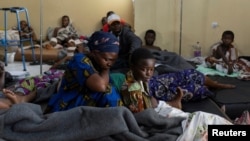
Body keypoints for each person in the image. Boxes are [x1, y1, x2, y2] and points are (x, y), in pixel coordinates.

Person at [119, 47, 233, 140]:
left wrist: (166, 106)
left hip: (161, 110)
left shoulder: (136, 79)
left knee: (204, 119)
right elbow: (147, 117)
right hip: (160, 116)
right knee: (201, 119)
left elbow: (150, 103)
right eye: (144, 69)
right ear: (132, 66)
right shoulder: (132, 90)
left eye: (151, 69)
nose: (149, 73)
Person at [45, 31, 123, 113]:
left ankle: (115, 116)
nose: (110, 63)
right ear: (94, 53)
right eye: (107, 59)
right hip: (67, 104)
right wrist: (106, 69)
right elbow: (101, 87)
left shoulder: (99, 63)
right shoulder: (80, 60)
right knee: (108, 91)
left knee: (113, 89)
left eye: (113, 60)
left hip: (84, 102)